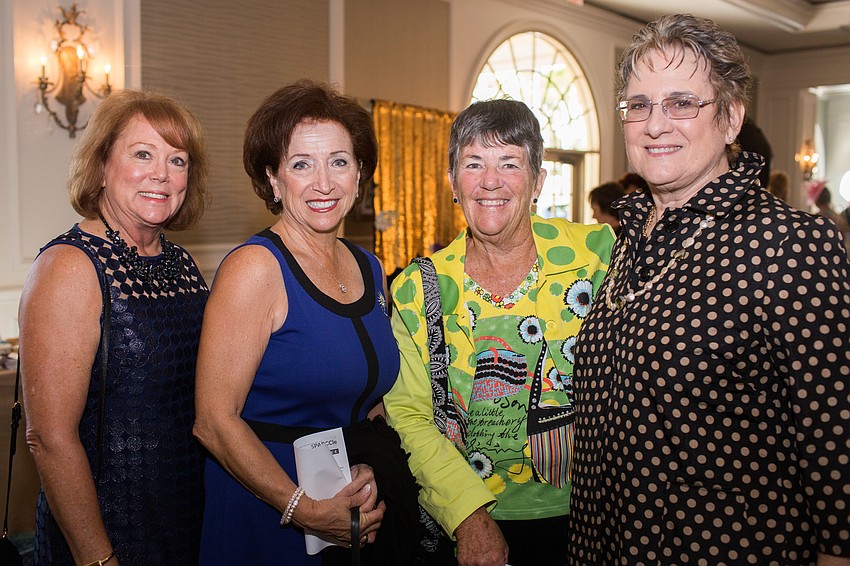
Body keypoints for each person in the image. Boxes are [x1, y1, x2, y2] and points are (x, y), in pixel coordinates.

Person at [567, 13, 850, 565]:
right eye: (639, 105)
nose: (655, 124)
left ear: (730, 118)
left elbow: (837, 443)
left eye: (681, 103)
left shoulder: (789, 243)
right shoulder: (630, 239)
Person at [384, 99, 616, 566]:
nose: (490, 180)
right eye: (474, 163)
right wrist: (469, 516)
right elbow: (409, 415)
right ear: (453, 182)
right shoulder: (418, 289)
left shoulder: (599, 257)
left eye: (509, 162)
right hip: (469, 518)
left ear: (538, 181)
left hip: (598, 512)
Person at [194, 80, 409, 565]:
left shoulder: (370, 268)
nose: (323, 183)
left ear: (360, 174)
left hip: (344, 510)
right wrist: (303, 509)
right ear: (273, 179)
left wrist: (372, 467)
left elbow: (367, 399)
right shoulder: (254, 269)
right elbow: (212, 422)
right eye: (300, 165)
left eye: (338, 161)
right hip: (265, 517)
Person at [19, 89, 211, 565]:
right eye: (142, 154)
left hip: (184, 518)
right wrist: (97, 557)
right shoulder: (69, 266)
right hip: (105, 534)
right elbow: (48, 436)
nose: (162, 175)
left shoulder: (180, 263)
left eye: (178, 160)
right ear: (103, 166)